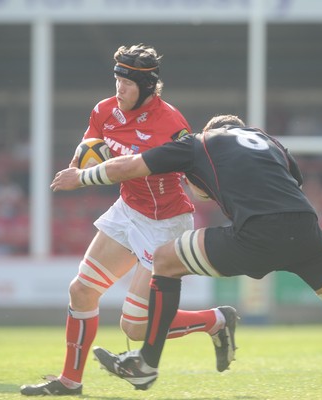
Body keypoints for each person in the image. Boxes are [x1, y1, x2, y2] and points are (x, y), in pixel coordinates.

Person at [49, 114, 322, 391]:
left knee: (165, 260)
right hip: (306, 230)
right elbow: (293, 181)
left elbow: (132, 165)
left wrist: (82, 177)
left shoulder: (199, 143)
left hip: (256, 235)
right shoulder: (268, 141)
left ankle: (146, 363)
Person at [20, 46, 238, 396]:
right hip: (128, 211)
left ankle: (216, 320)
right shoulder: (104, 110)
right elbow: (89, 148)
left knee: (135, 326)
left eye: (127, 83)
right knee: (81, 291)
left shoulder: (171, 124)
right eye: (117, 79)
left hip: (166, 223)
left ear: (148, 87)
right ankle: (70, 382)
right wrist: (83, 159)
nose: (119, 88)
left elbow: (161, 172)